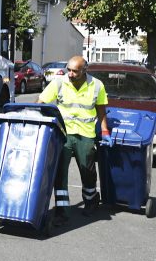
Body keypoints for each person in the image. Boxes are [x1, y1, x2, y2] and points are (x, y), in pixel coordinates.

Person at [37, 55, 109, 225]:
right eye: (69, 69)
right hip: (63, 134)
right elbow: (41, 102)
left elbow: (101, 110)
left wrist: (105, 131)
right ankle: (61, 211)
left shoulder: (97, 85)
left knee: (88, 171)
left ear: (85, 70)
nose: (70, 73)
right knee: (60, 172)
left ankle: (91, 201)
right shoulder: (59, 83)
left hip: (86, 135)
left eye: (75, 71)